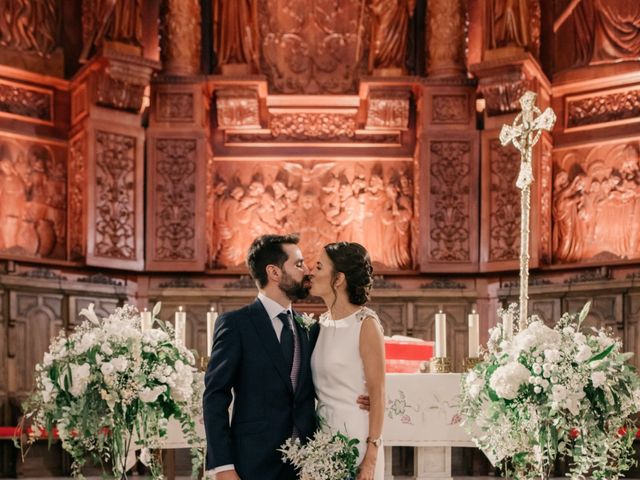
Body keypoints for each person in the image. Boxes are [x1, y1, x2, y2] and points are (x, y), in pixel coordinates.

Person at [203, 234, 369, 479]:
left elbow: (328, 376)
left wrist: (364, 395)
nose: (307, 271)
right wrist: (223, 467)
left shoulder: (309, 328)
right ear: (274, 272)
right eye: (299, 264)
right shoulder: (236, 324)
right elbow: (215, 397)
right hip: (252, 462)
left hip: (306, 463)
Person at [310, 242, 386, 480]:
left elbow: (378, 392)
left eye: (319, 267)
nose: (311, 272)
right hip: (321, 437)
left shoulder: (365, 324)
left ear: (338, 278)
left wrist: (371, 456)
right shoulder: (319, 324)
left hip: (355, 435)